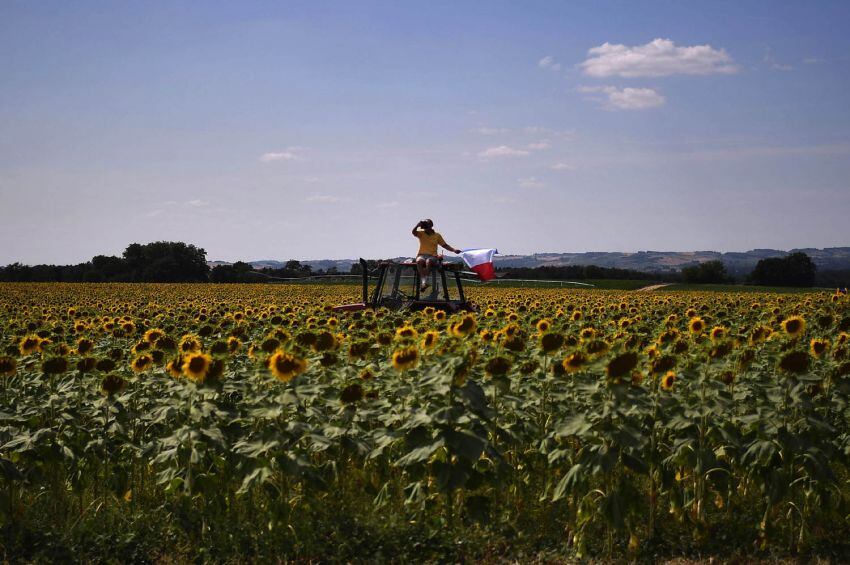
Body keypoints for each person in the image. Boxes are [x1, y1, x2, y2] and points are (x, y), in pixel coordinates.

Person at [411, 219, 461, 291]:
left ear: (430, 226)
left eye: (425, 225)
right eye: (423, 226)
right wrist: (417, 225)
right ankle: (424, 282)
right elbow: (413, 232)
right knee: (419, 261)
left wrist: (454, 250)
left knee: (428, 261)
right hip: (421, 255)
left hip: (432, 256)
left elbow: (445, 245)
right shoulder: (421, 233)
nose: (424, 227)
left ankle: (426, 280)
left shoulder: (437, 235)